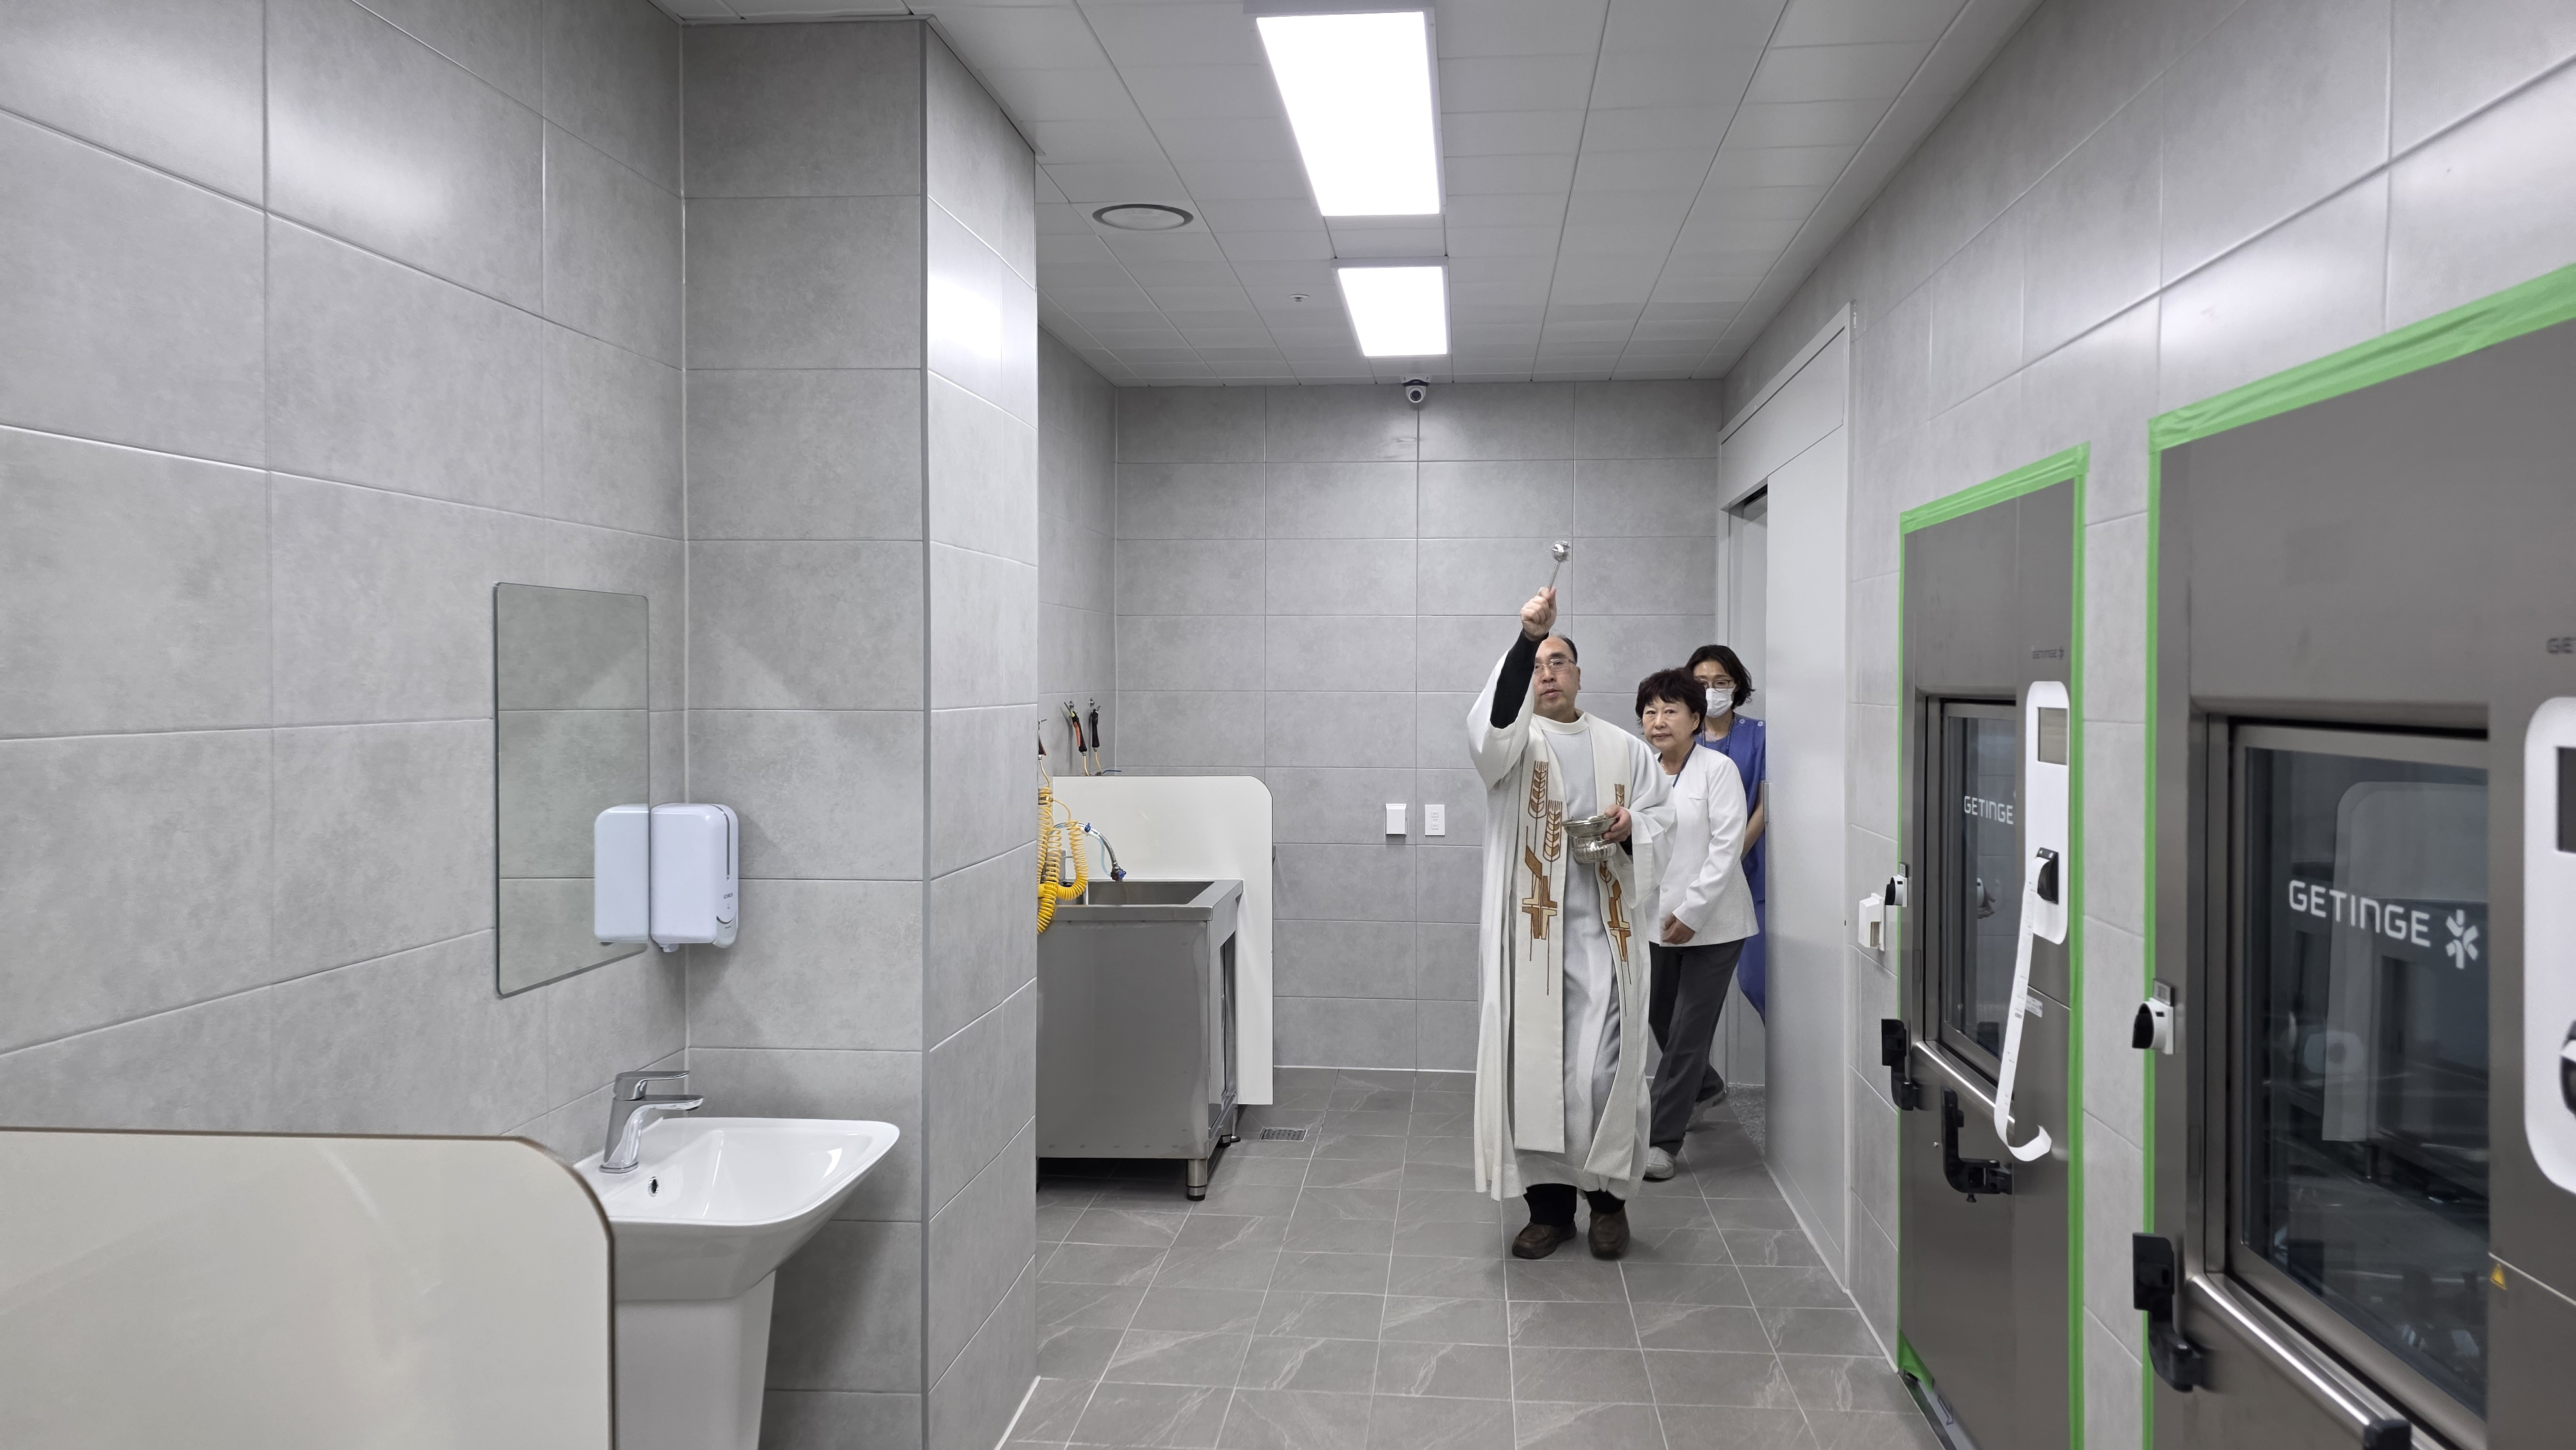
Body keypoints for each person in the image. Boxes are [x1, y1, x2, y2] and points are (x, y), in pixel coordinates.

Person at [1466, 585, 1672, 1261]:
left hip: (1606, 939)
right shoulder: (1514, 743)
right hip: (1532, 942)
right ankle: (1549, 1211)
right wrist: (1527, 636)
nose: (1547, 673)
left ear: (1579, 675)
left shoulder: (1623, 747)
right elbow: (1490, 728)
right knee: (1536, 1078)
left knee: (1602, 1076)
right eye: (1536, 665)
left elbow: (1663, 819)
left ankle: (1608, 1205)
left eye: (1558, 661)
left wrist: (1631, 826)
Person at [1633, 670, 1758, 1182]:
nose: (1658, 721)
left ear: (1695, 719)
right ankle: (1705, 1087)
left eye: (1670, 711)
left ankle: (1661, 1140)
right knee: (1660, 1016)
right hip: (1656, 919)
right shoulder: (1642, 771)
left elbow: (1727, 847)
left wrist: (1692, 912)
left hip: (1715, 923)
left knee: (1688, 1030)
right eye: (1650, 712)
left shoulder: (1717, 770)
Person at [1690, 645, 1768, 1040]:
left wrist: (1730, 857)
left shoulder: (1760, 736)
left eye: (1721, 682)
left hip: (1750, 874)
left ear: (1736, 686)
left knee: (1758, 983)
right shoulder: (1682, 738)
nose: (1711, 691)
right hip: (1692, 879)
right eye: (1701, 683)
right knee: (1686, 997)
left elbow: (1766, 807)